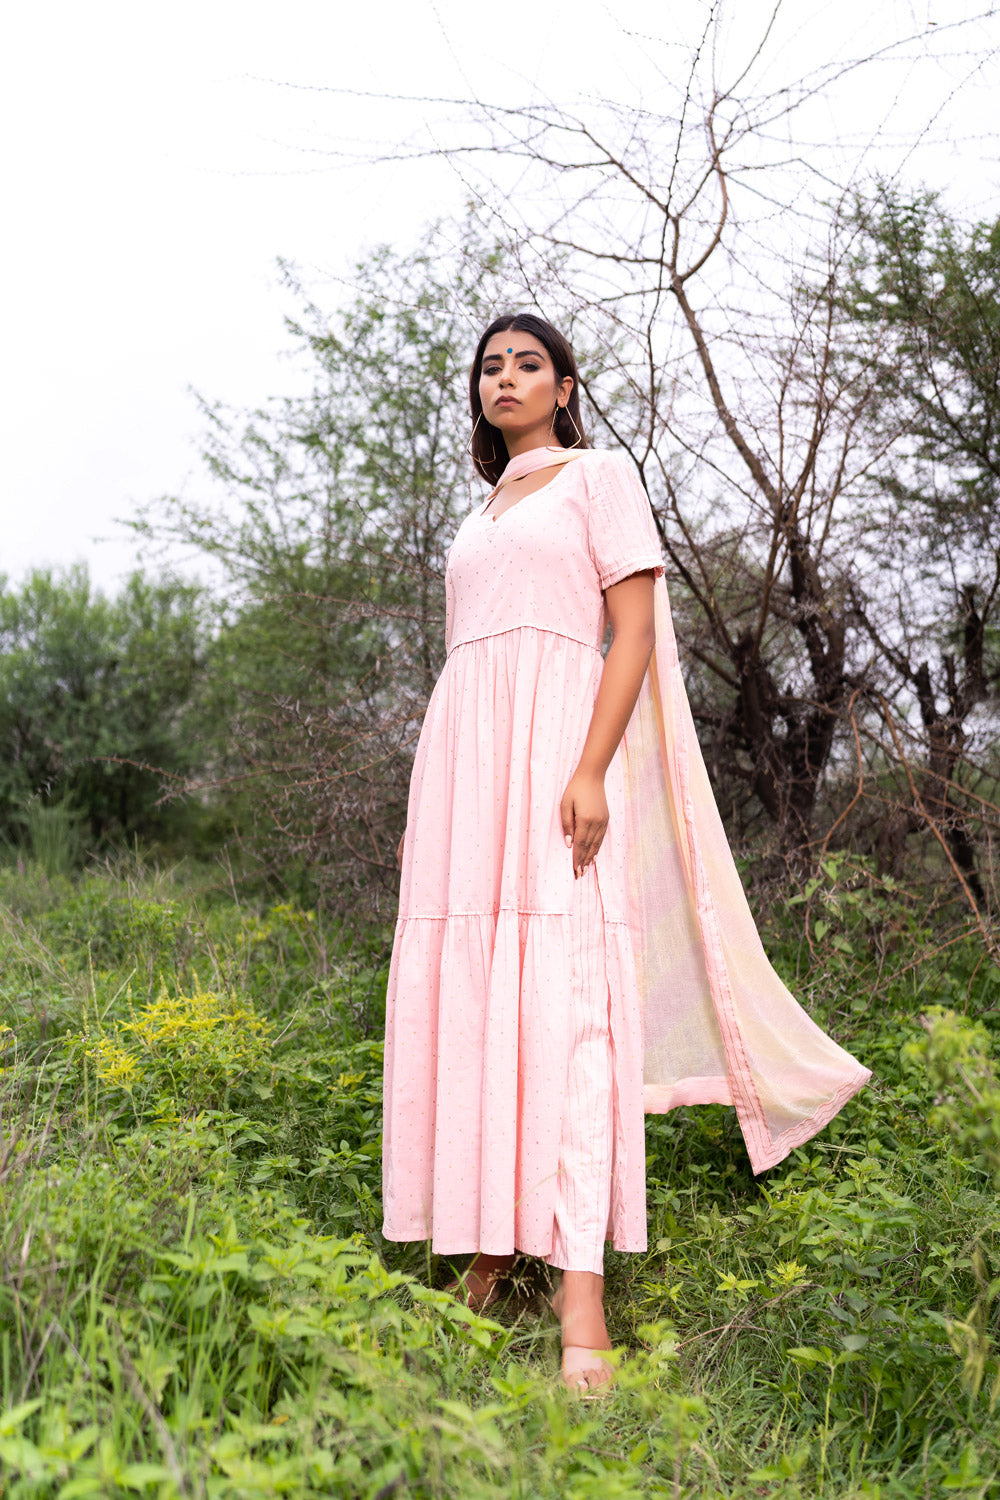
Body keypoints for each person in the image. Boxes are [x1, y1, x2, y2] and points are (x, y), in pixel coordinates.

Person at [381, 312, 871, 1396]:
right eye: (489, 368)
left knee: (568, 1005)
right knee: (478, 1003)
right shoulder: (480, 513)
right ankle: (485, 1258)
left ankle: (580, 1295)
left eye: (526, 365)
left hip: (558, 745)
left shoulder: (599, 476)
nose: (504, 379)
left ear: (562, 386)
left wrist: (592, 767)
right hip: (466, 765)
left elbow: (634, 634)